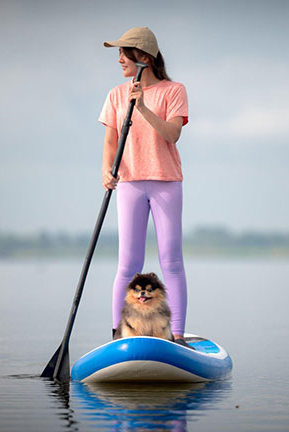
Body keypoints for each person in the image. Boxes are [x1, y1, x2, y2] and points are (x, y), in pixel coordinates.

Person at [99, 27, 190, 347]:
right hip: (130, 183)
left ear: (144, 58)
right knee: (128, 263)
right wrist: (106, 171)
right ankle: (118, 333)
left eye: (124, 53)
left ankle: (177, 335)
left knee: (172, 260)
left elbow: (172, 134)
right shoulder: (115, 95)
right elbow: (111, 141)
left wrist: (143, 108)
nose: (120, 60)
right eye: (119, 54)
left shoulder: (173, 90)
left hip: (166, 182)